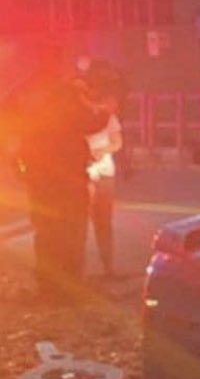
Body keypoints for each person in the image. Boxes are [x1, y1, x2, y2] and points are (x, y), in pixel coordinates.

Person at [1, 50, 115, 303]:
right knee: (71, 229)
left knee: (45, 229)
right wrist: (106, 111)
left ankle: (48, 286)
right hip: (68, 172)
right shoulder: (65, 92)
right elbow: (87, 122)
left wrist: (16, 153)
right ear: (57, 64)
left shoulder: (23, 91)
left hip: (37, 172)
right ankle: (71, 286)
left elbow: (6, 118)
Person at [84, 61, 126, 278]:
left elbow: (118, 142)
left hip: (105, 173)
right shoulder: (78, 117)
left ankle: (108, 266)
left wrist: (103, 150)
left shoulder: (109, 119)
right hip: (84, 174)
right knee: (80, 222)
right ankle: (75, 271)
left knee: (103, 221)